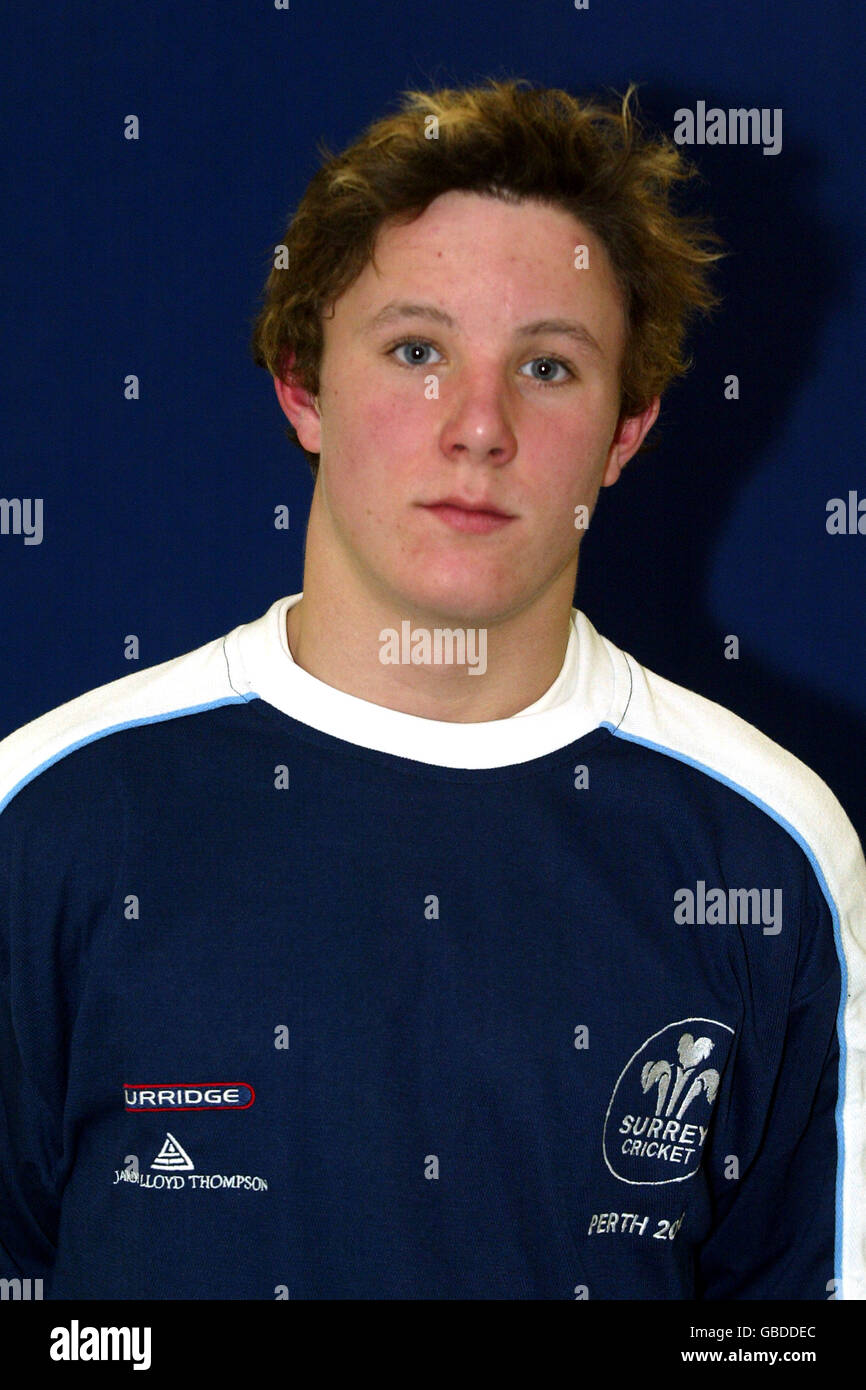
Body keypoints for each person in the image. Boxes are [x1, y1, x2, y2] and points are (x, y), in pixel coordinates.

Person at [1, 77, 864, 1301]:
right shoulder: (50, 815)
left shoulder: (766, 847)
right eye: (417, 350)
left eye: (550, 368)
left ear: (626, 430)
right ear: (301, 384)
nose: (478, 426)